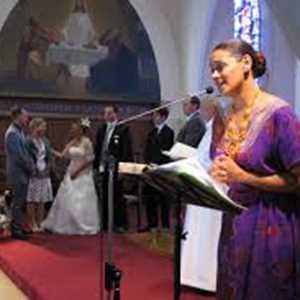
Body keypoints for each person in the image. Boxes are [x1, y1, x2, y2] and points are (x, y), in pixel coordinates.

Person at [209, 39, 300, 299]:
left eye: (220, 67)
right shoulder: (223, 116)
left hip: (271, 224)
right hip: (234, 223)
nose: (215, 75)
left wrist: (245, 177)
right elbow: (222, 164)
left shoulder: (279, 114)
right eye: (211, 69)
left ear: (246, 63)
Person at [180, 98, 222, 291]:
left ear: (212, 110)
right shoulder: (209, 128)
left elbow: (214, 159)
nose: (202, 111)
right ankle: (193, 276)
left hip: (211, 187)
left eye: (205, 108)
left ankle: (206, 278)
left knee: (207, 232)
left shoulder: (218, 128)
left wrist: (195, 164)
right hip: (201, 184)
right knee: (195, 231)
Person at [42, 119, 100, 235]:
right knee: (66, 198)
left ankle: (82, 225)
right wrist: (48, 149)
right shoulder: (72, 142)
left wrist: (77, 172)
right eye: (72, 129)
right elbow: (62, 155)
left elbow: (89, 160)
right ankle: (66, 224)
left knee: (81, 200)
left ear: (80, 130)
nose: (72, 131)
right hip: (71, 172)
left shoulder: (87, 142)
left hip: (83, 173)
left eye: (75, 129)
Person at [93, 105, 133, 232]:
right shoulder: (102, 129)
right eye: (105, 113)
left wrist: (123, 169)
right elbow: (98, 148)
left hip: (116, 168)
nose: (107, 116)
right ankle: (105, 223)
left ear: (116, 114)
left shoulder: (123, 129)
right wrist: (96, 165)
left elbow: (127, 150)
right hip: (103, 167)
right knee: (104, 195)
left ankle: (119, 224)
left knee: (117, 196)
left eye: (110, 113)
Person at [140, 108, 174, 233]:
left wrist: (157, 163)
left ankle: (165, 225)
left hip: (162, 169)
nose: (154, 118)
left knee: (163, 198)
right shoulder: (152, 132)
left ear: (164, 117)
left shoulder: (169, 132)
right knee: (150, 197)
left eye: (156, 115)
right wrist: (148, 163)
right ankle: (152, 224)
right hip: (151, 169)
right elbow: (147, 150)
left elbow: (166, 150)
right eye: (153, 115)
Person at [4, 106, 33, 240]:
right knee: (17, 202)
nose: (27, 118)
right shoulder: (12, 133)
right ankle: (16, 231)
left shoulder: (19, 131)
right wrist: (30, 167)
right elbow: (19, 156)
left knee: (21, 202)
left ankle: (19, 227)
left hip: (22, 172)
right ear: (18, 116)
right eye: (25, 115)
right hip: (17, 173)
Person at [26, 118, 53, 232]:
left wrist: (47, 169)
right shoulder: (28, 140)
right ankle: (32, 223)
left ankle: (40, 222)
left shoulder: (45, 140)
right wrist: (34, 170)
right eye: (43, 126)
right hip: (33, 174)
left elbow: (49, 156)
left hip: (44, 173)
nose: (45, 129)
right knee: (32, 199)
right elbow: (26, 158)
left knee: (42, 199)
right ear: (35, 127)